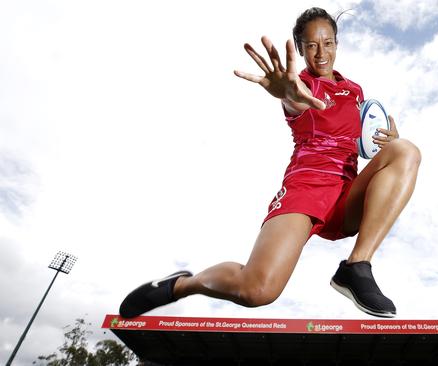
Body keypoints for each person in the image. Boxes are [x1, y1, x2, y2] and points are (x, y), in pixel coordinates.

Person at [119, 7, 420, 319]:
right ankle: (183, 284)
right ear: (300, 49)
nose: (321, 53)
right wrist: (287, 94)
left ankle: (357, 266)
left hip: (347, 196)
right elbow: (295, 99)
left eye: (327, 43)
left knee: (405, 150)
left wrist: (384, 139)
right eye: (311, 45)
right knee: (256, 291)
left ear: (336, 44)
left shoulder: (354, 91)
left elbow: (356, 139)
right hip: (307, 189)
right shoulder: (297, 83)